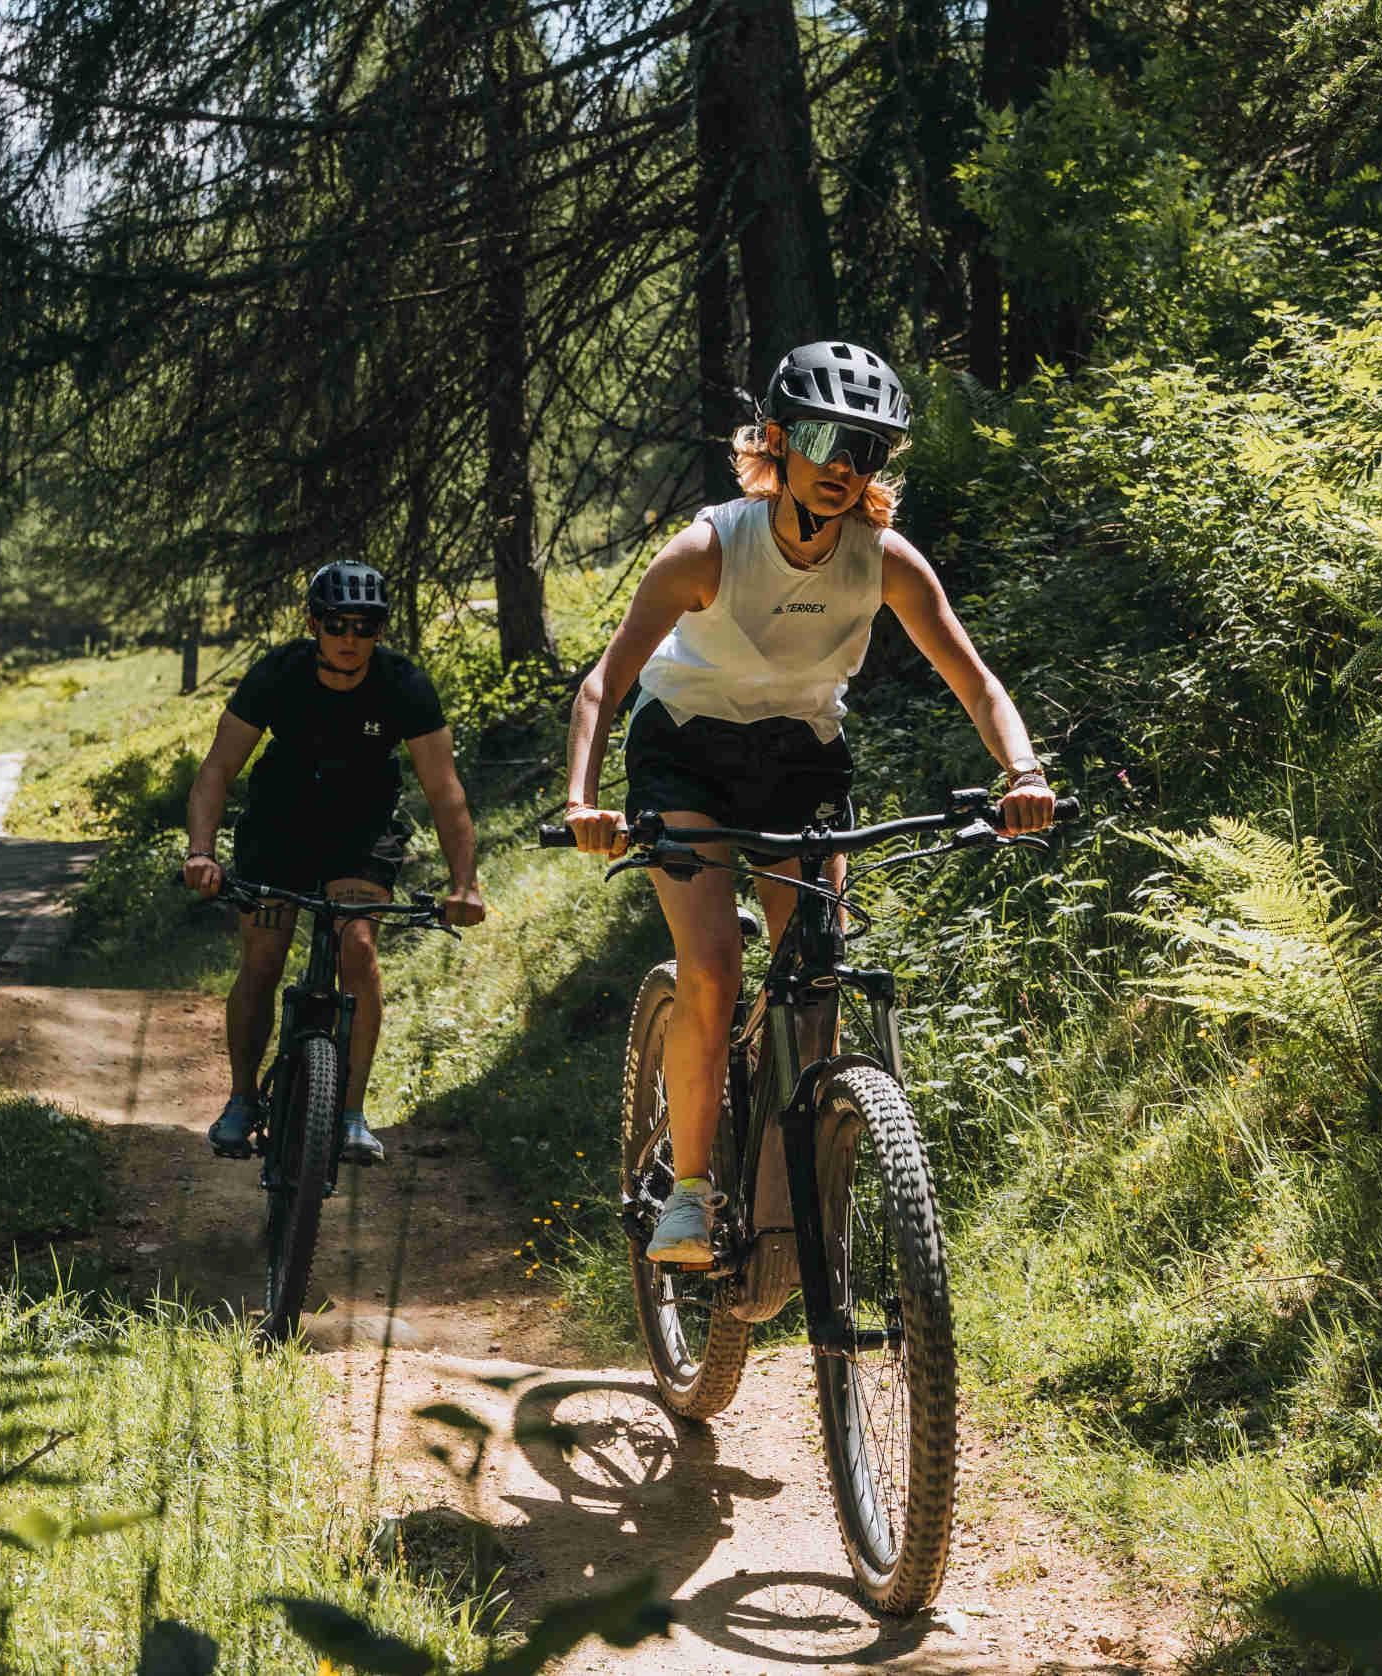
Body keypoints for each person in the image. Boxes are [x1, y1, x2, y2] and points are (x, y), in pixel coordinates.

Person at [558, 341, 1055, 1262]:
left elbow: (978, 684)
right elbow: (605, 682)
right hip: (687, 751)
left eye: (866, 449)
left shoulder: (884, 561)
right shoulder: (709, 549)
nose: (843, 466)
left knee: (816, 975)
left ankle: (789, 1204)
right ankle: (690, 1191)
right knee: (713, 966)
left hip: (802, 759)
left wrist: (1024, 774)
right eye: (825, 440)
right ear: (779, 441)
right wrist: (584, 801)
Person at [184, 561, 488, 1165]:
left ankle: (350, 1114)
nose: (350, 638)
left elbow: (444, 790)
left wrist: (466, 883)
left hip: (361, 832)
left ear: (380, 630)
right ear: (313, 624)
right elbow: (217, 769)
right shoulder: (278, 674)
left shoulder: (403, 684)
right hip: (278, 827)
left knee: (358, 948)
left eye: (365, 626)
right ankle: (241, 1099)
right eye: (336, 624)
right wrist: (201, 852)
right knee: (264, 957)